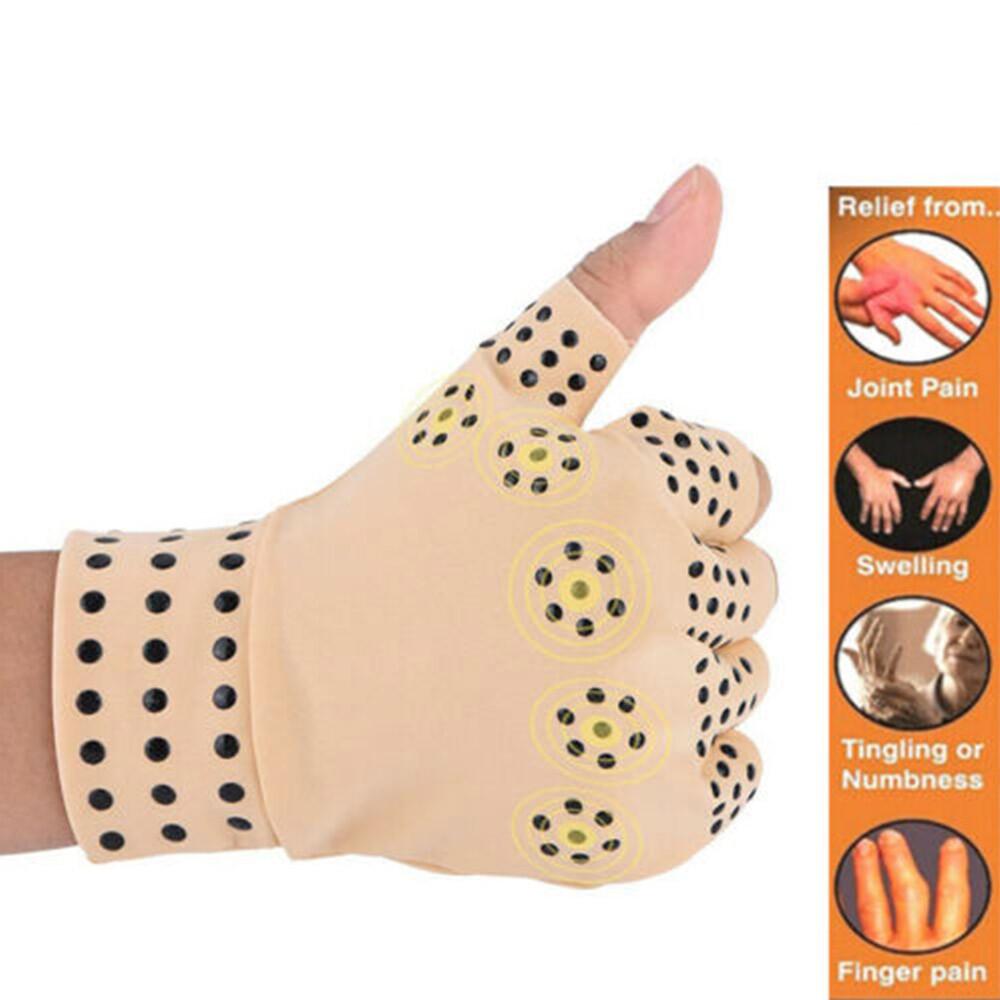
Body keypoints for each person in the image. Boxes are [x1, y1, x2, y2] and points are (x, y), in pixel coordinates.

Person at [844, 605, 988, 728]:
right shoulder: (899, 710)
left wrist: (928, 725)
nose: (967, 639)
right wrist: (871, 716)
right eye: (961, 622)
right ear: (938, 634)